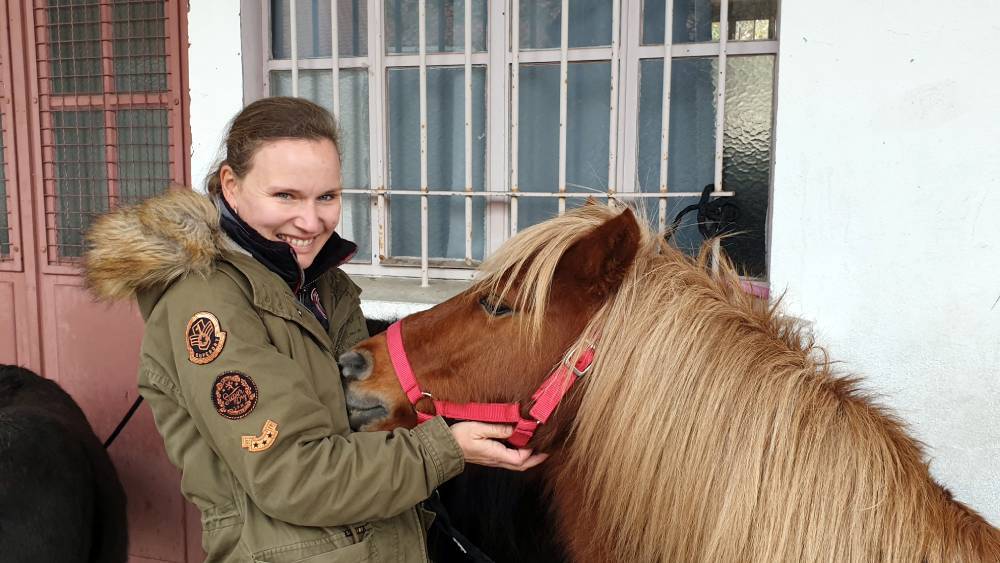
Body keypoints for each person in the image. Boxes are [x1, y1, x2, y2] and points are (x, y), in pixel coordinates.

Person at [83, 96, 546, 562]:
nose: (311, 221)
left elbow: (363, 416)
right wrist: (446, 449)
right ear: (232, 184)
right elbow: (292, 475)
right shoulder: (208, 304)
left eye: (327, 196)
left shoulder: (320, 284)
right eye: (285, 196)